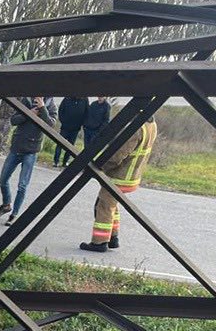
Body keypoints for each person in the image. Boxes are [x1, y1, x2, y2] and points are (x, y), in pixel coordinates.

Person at [80, 117, 157, 252]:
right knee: (112, 206)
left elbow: (118, 155)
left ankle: (99, 242)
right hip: (132, 177)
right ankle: (113, 238)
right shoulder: (151, 125)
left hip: (119, 177)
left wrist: (100, 166)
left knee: (103, 206)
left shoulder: (137, 128)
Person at [0, 97, 56, 225]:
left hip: (31, 150)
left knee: (22, 185)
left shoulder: (50, 104)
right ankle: (6, 205)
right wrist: (29, 113)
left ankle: (14, 214)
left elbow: (51, 124)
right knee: (3, 179)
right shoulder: (26, 100)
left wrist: (42, 109)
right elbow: (13, 120)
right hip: (17, 147)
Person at [53, 96, 88, 166]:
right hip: (65, 127)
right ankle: (55, 161)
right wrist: (63, 121)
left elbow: (86, 113)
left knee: (70, 147)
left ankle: (65, 162)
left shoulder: (85, 99)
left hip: (75, 128)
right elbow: (61, 109)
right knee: (60, 144)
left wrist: (81, 124)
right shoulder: (67, 97)